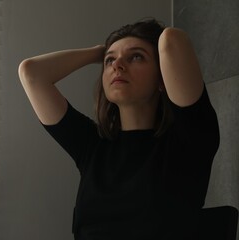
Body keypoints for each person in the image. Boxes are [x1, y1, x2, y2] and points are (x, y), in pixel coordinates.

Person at [18, 19, 219, 240]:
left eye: (136, 57)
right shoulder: (92, 146)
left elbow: (171, 40)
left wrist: (112, 51)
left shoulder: (188, 139)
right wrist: (99, 53)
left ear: (162, 78)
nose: (117, 66)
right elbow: (31, 73)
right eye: (110, 61)